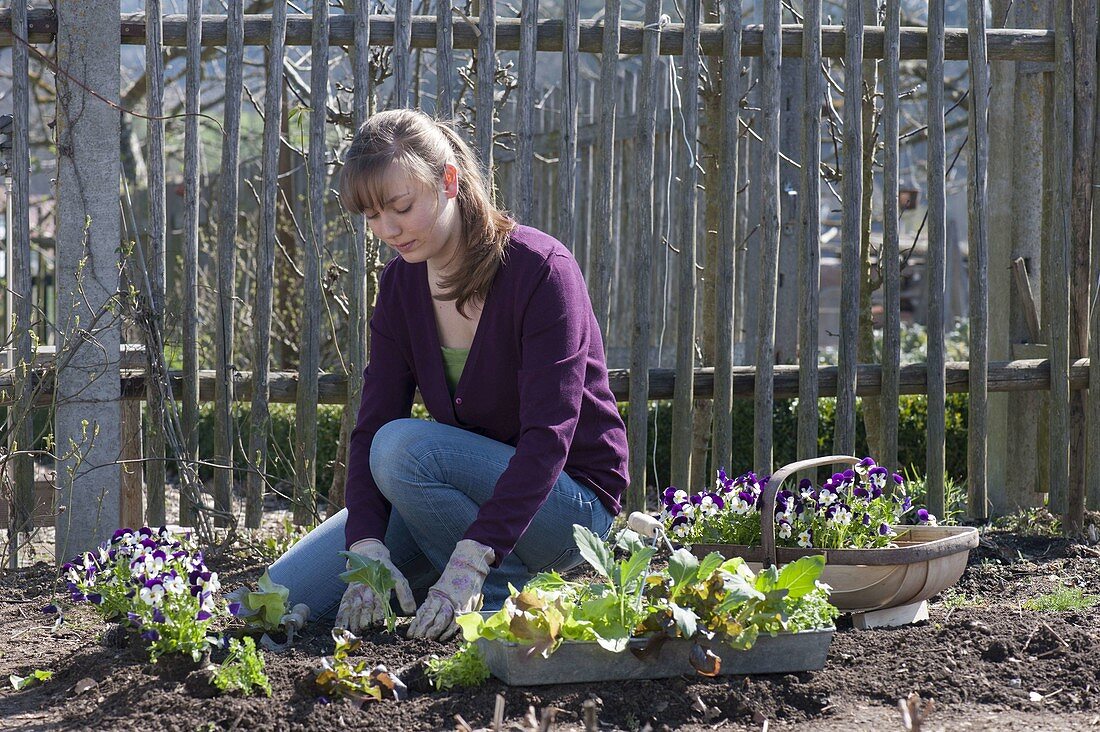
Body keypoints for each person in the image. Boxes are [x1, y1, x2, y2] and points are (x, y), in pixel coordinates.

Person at [267, 108, 629, 641]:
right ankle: (468, 582)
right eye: (370, 216)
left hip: (568, 510)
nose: (387, 230)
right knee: (280, 592)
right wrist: (367, 546)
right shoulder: (400, 288)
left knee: (402, 449)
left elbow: (548, 442)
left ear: (449, 181)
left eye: (401, 207)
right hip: (460, 506)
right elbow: (371, 424)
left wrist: (470, 560)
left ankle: (500, 597)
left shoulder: (540, 270)